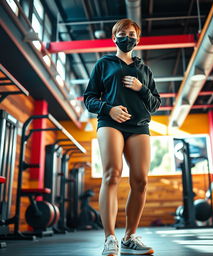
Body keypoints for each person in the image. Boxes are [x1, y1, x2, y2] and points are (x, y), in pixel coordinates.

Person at [83, 18, 161, 256]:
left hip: (139, 126)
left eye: (132, 33)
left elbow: (156, 104)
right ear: (114, 38)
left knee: (140, 180)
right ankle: (109, 238)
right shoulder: (104, 64)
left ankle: (129, 236)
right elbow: (89, 98)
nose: (127, 37)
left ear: (138, 39)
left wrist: (141, 88)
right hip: (111, 122)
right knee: (112, 173)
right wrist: (108, 109)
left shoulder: (144, 71)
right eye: (122, 33)